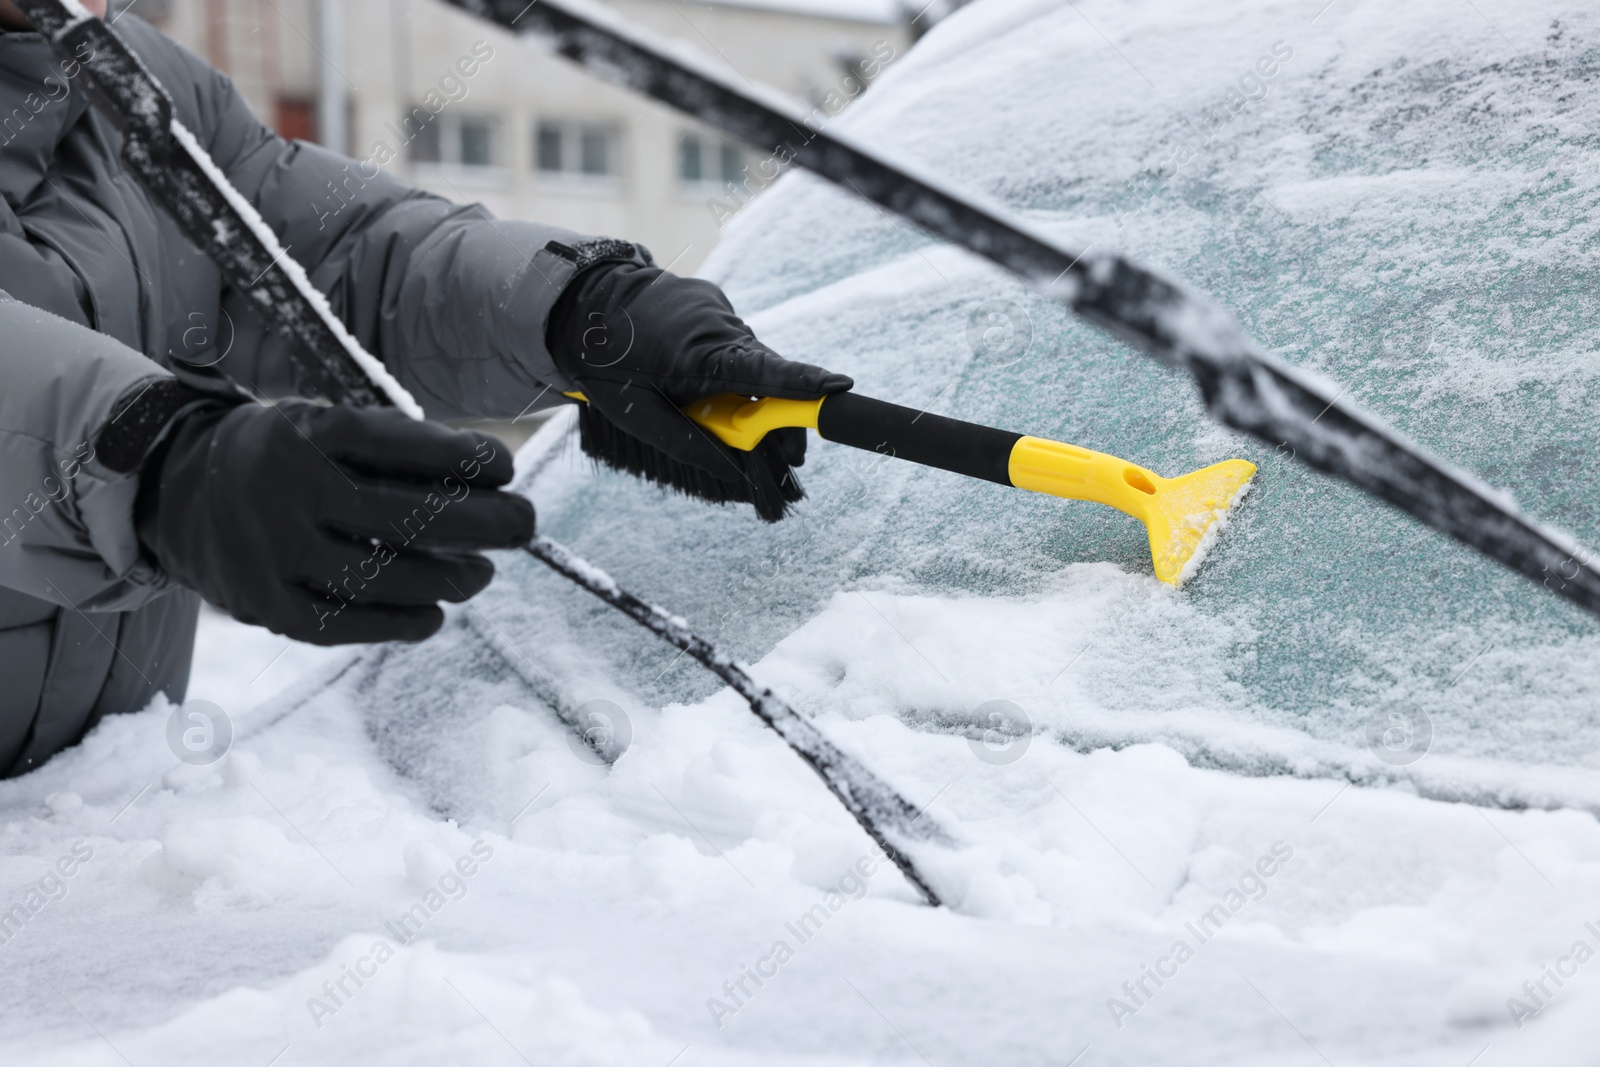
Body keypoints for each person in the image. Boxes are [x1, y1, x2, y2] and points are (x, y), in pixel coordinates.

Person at [0, 2, 851, 776]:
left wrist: (575, 310)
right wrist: (158, 464)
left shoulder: (123, 73)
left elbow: (333, 252)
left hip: (97, 830)